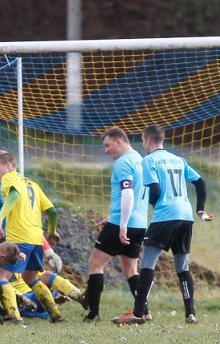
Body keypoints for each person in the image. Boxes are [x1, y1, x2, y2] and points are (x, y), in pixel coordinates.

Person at [113, 124, 213, 325]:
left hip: (165, 217)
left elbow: (156, 191)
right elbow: (200, 182)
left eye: (142, 141)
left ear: (148, 140)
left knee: (148, 264)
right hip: (186, 217)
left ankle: (138, 313)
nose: (143, 144)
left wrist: (153, 203)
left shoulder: (149, 160)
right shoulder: (178, 159)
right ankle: (190, 313)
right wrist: (200, 208)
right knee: (182, 266)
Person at [83, 127, 150, 323]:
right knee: (130, 269)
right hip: (139, 224)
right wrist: (113, 216)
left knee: (95, 264)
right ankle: (144, 311)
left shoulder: (123, 162)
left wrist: (121, 225)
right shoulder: (140, 159)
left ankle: (93, 314)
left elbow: (128, 194)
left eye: (107, 145)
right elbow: (137, 194)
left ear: (119, 141)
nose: (106, 150)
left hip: (124, 224)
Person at [0, 152, 65, 323]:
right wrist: (52, 231)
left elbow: (14, 196)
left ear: (9, 166)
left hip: (19, 238)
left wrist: (0, 219)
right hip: (35, 239)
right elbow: (52, 211)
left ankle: (14, 317)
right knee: (30, 278)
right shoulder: (33, 184)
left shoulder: (9, 178)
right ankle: (56, 315)